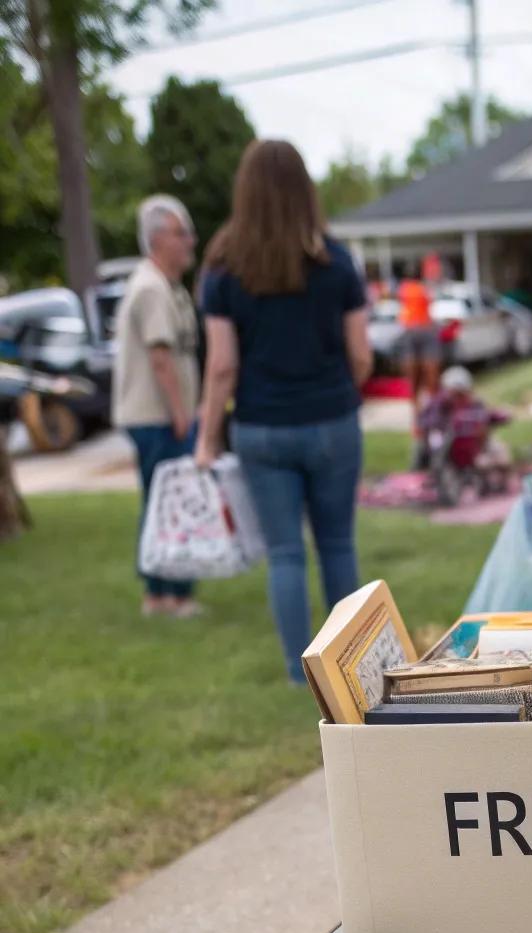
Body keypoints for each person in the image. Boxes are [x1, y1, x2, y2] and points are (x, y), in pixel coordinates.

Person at [195, 139, 371, 684]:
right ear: (305, 189)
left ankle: (300, 676)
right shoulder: (337, 262)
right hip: (333, 422)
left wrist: (206, 437)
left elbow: (221, 366)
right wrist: (341, 391)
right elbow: (361, 355)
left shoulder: (223, 269)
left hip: (262, 429)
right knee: (337, 543)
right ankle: (347, 666)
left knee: (285, 554)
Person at [113, 194, 200, 617]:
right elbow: (161, 358)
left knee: (164, 505)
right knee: (170, 506)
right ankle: (168, 596)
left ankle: (164, 593)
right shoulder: (150, 288)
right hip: (159, 418)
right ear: (159, 238)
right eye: (182, 233)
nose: (191, 241)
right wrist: (182, 414)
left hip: (165, 417)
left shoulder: (169, 287)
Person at [397, 262, 440, 421]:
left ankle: (421, 413)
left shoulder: (405, 288)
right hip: (420, 329)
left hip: (415, 329)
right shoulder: (417, 288)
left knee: (418, 377)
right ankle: (425, 413)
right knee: (425, 377)